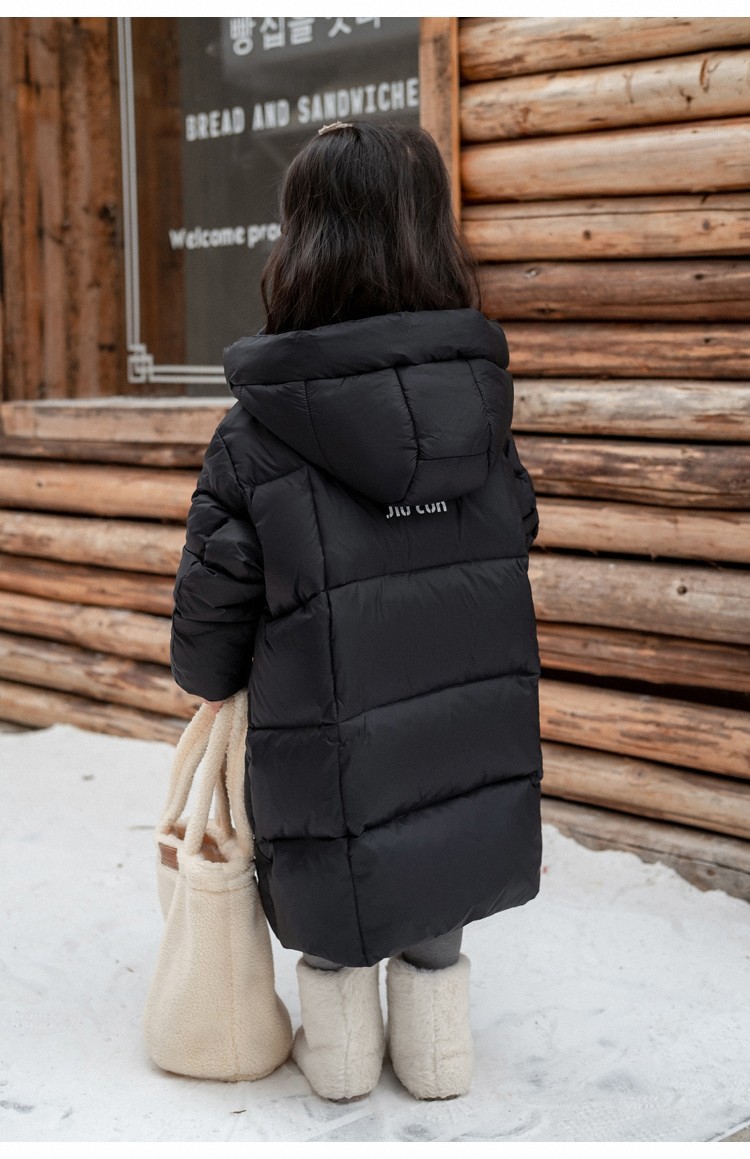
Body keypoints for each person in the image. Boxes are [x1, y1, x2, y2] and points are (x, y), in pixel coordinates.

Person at [170, 118, 543, 1104]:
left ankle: (337, 1063)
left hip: (323, 740)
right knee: (441, 861)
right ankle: (437, 1054)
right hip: (466, 728)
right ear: (432, 236)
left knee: (335, 896)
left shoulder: (259, 432)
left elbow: (210, 616)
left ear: (303, 242)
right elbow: (519, 528)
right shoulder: (481, 410)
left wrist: (211, 679)